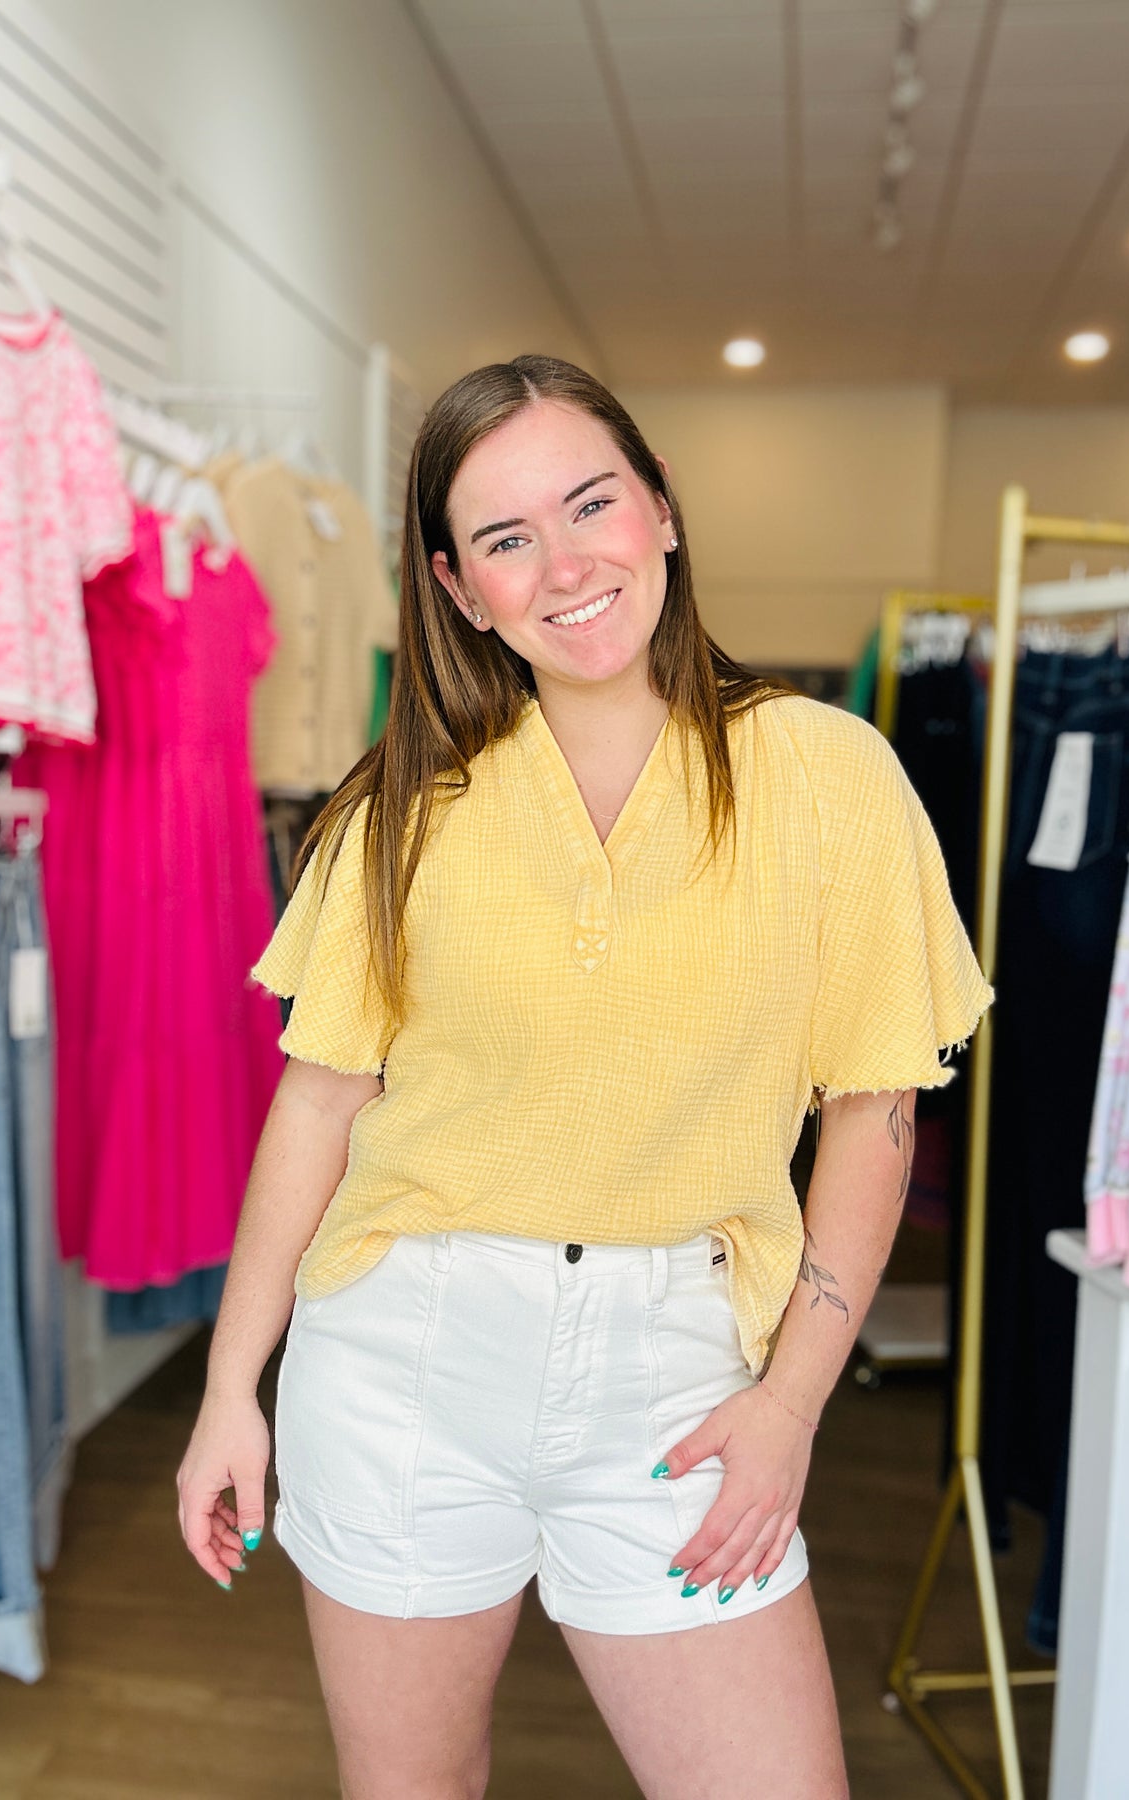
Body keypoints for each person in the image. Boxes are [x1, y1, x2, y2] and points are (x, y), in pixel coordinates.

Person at [176, 355, 993, 1799]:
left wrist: (791, 1406)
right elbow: (320, 1103)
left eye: (591, 504)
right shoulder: (398, 808)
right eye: (505, 538)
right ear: (457, 587)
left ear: (661, 509)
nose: (564, 565)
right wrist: (231, 1389)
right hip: (401, 1362)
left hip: (677, 1373)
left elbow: (873, 1118)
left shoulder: (831, 773)